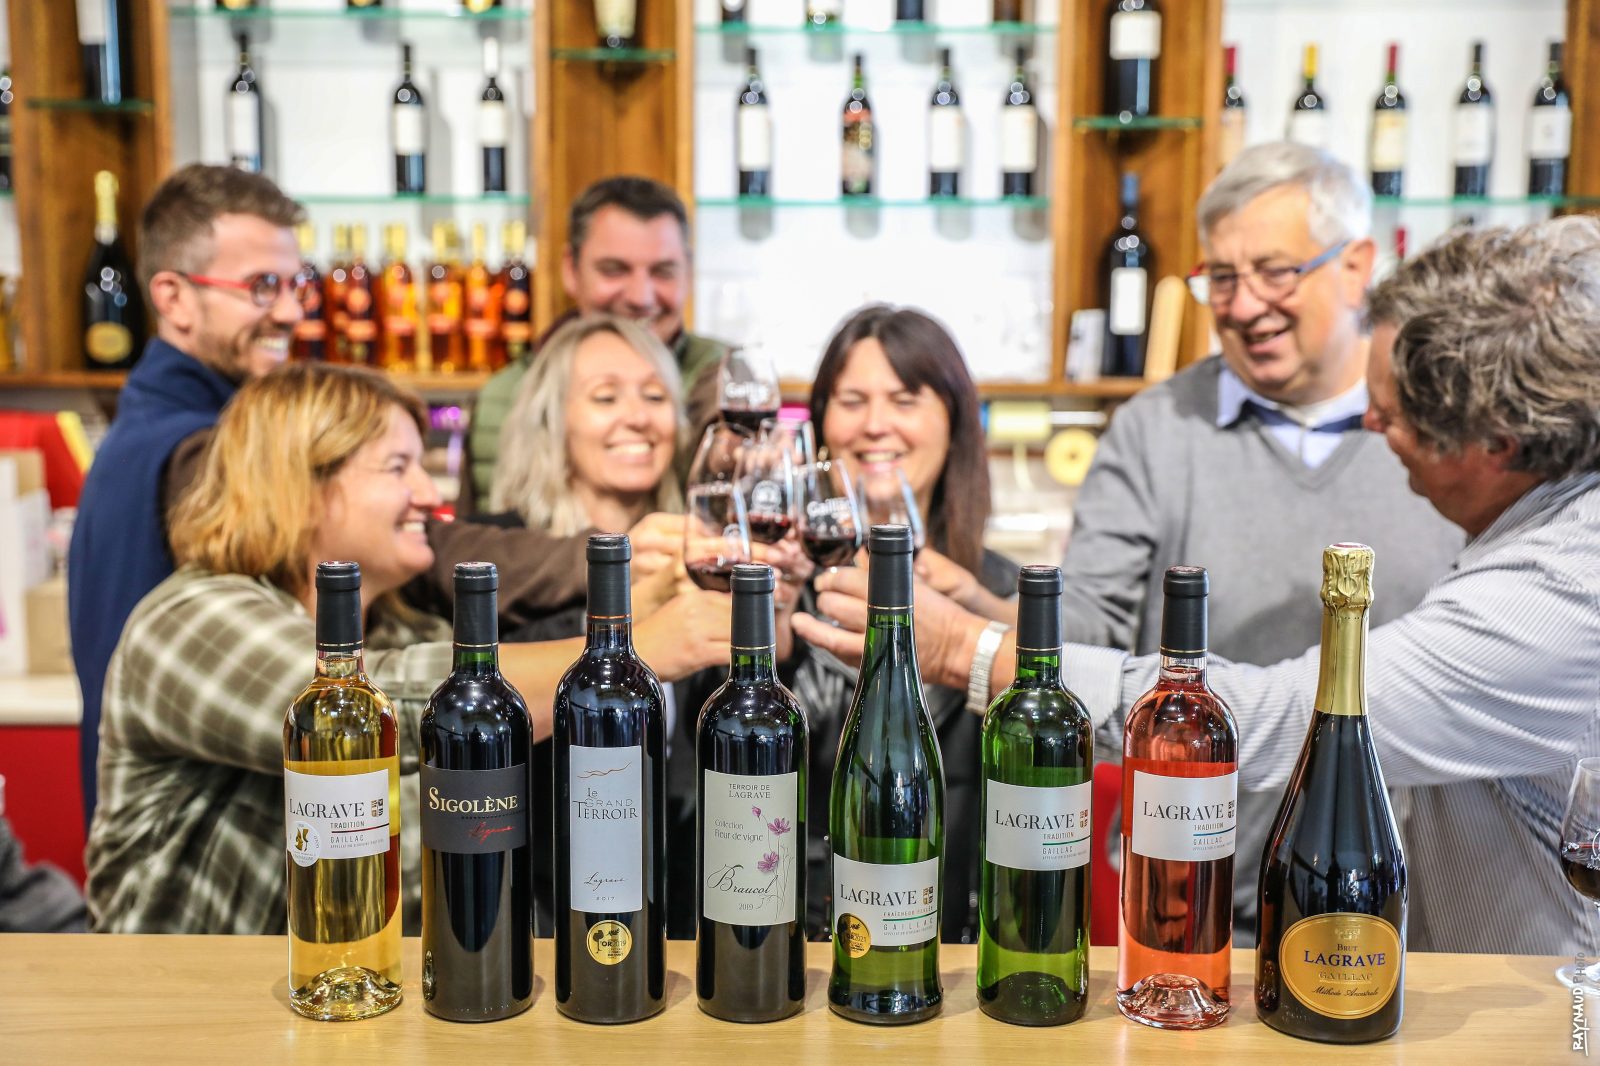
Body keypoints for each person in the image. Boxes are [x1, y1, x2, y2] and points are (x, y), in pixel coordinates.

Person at [800, 217, 1600, 956]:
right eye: (1220, 274)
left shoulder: (1560, 592)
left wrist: (961, 650)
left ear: (1495, 444)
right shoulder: (1535, 531)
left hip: (1540, 1016)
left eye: (1391, 415)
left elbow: (1298, 721)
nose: (1370, 428)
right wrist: (993, 619)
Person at [84, 363, 733, 935]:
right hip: (180, 1010)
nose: (430, 494)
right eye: (399, 468)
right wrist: (633, 651)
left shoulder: (394, 625)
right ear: (301, 487)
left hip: (347, 1005)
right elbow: (372, 712)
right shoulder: (191, 619)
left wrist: (646, 605)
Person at [64, 166, 615, 827]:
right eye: (262, 286)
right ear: (173, 298)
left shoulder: (154, 424)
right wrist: (612, 575)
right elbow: (422, 583)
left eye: (295, 284)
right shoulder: (202, 450)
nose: (293, 310)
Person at [1057, 143, 1461, 934]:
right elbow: (1086, 627)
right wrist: (984, 621)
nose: (1244, 306)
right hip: (1193, 907)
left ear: (1358, 266)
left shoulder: (1447, 436)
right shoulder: (1153, 430)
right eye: (1223, 278)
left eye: (1276, 272)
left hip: (1407, 914)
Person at [793, 304, 1017, 943]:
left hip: (960, 942)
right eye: (852, 400)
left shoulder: (999, 593)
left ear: (954, 422)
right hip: (793, 940)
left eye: (904, 399)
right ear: (821, 424)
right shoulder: (781, 587)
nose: (875, 425)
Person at [466, 176, 730, 505]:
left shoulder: (722, 374)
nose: (640, 296)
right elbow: (484, 539)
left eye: (663, 271)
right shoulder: (503, 395)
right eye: (614, 269)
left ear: (688, 273)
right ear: (571, 270)